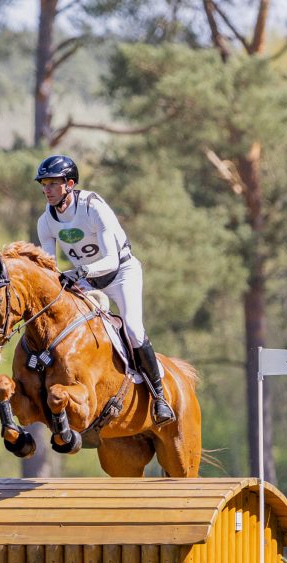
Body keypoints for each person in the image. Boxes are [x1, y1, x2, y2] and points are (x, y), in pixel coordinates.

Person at [33, 154, 175, 425]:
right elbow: (50, 267)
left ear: (69, 184)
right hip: (87, 280)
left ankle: (159, 397)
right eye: (44, 184)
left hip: (121, 273)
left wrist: (79, 271)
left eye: (52, 184)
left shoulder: (93, 207)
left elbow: (110, 260)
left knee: (132, 328)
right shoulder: (45, 222)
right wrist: (60, 278)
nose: (47, 190)